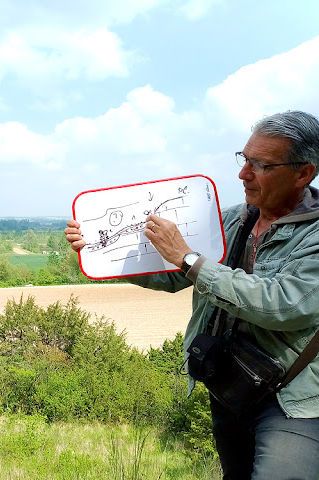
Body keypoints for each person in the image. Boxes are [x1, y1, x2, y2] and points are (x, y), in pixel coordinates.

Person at [65, 110, 319, 479]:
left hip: (294, 400)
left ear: (303, 173)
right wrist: (100, 253)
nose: (243, 174)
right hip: (229, 385)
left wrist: (187, 257)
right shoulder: (233, 219)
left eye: (261, 165)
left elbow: (285, 304)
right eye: (244, 159)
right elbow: (173, 277)